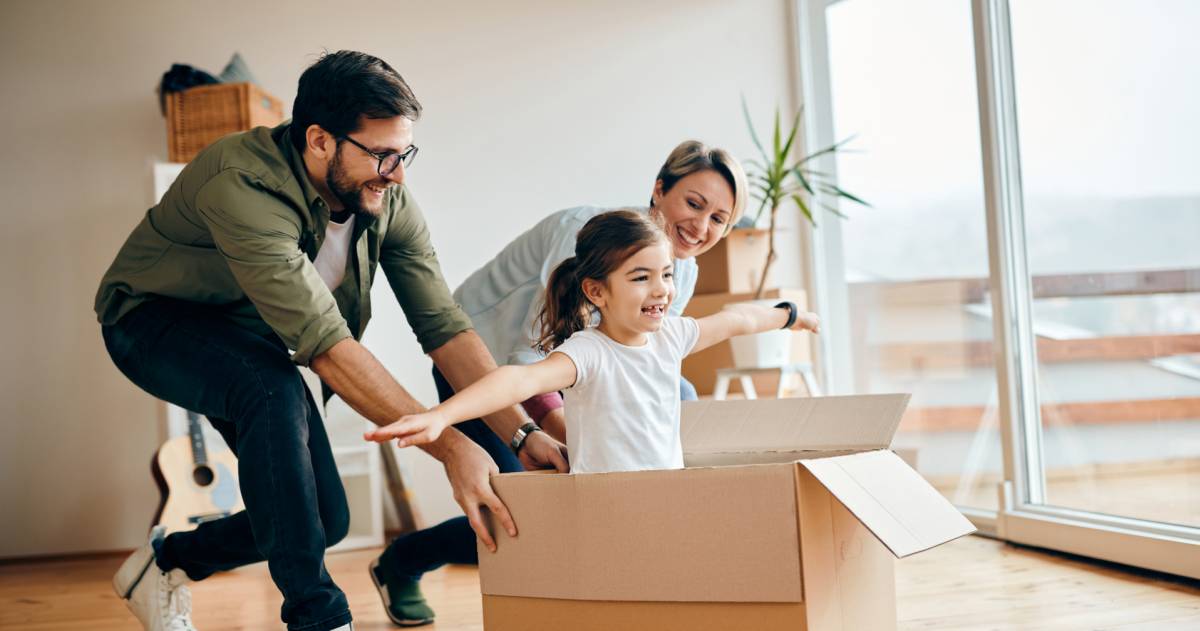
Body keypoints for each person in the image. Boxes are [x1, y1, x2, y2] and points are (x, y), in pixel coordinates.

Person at [96, 50, 565, 631]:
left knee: (324, 518)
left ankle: (168, 560)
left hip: (251, 341)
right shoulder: (240, 183)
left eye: (404, 154)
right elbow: (325, 345)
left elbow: (442, 325)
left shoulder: (386, 197)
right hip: (149, 321)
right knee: (269, 387)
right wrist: (449, 447)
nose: (397, 173)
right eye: (382, 154)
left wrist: (522, 432)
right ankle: (318, 618)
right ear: (319, 140)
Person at [366, 141, 748, 624]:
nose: (701, 226)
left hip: (560, 371)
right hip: (483, 363)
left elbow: (644, 359)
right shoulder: (585, 235)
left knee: (681, 399)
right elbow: (535, 354)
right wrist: (568, 434)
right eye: (694, 204)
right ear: (659, 189)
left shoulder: (682, 269)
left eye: (719, 219)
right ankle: (402, 562)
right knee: (519, 512)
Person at [364, 209, 820, 473]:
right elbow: (516, 381)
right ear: (597, 292)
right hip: (605, 506)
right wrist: (441, 416)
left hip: (665, 498)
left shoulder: (672, 336)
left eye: (666, 275)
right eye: (640, 278)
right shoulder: (588, 353)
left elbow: (736, 320)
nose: (661, 290)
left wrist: (788, 316)